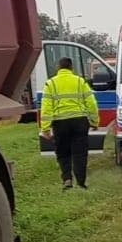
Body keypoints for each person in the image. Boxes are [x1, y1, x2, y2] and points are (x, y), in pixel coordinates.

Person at [40, 57, 97, 191]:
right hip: (79, 121)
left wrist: (46, 128)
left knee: (63, 152)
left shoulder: (50, 84)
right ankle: (81, 182)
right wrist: (94, 122)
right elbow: (91, 103)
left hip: (60, 123)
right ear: (72, 68)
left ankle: (67, 179)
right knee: (80, 153)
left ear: (58, 68)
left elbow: (46, 107)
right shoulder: (80, 81)